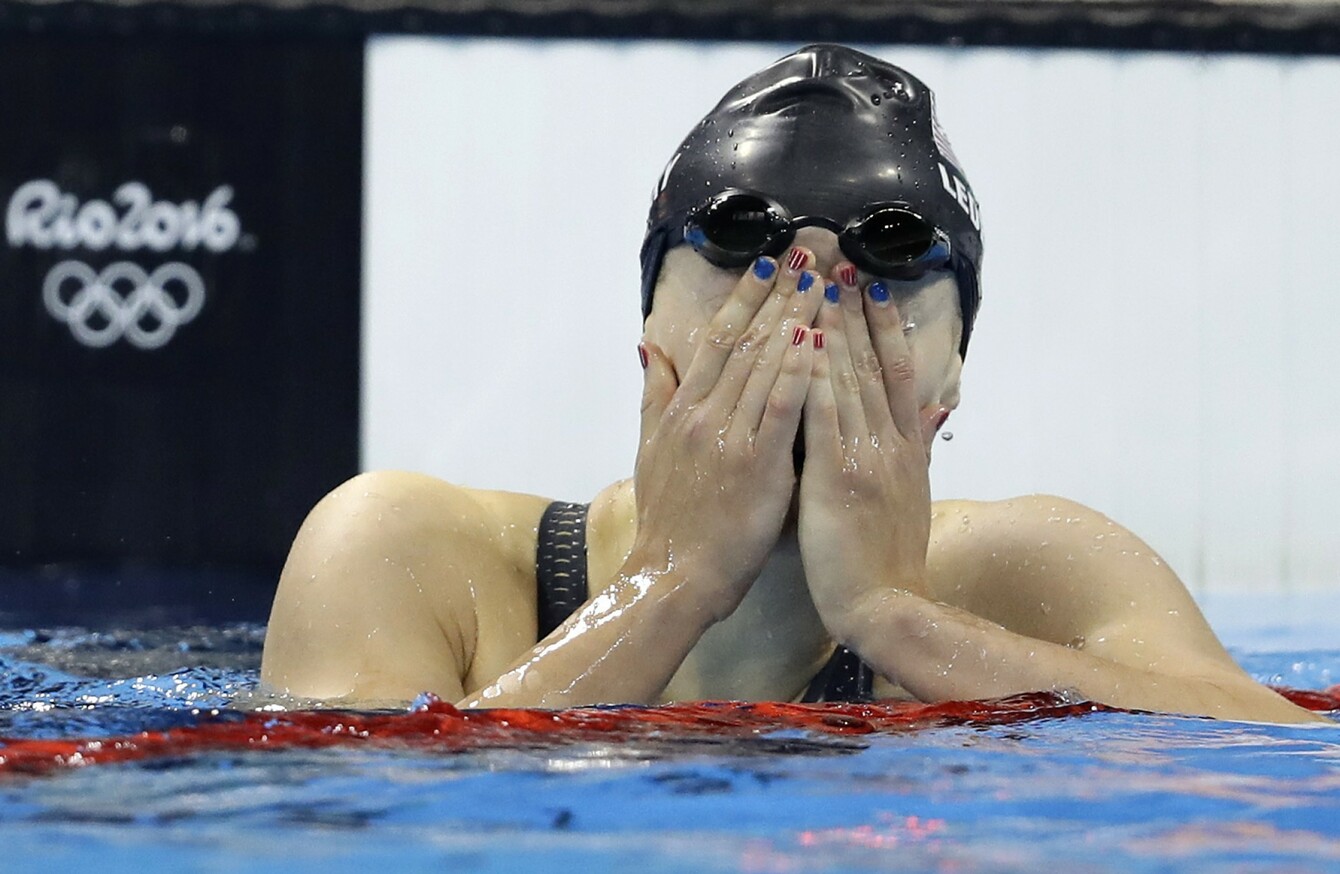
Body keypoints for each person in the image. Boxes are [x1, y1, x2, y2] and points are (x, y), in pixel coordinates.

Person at [259, 44, 1326, 723]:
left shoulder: (1031, 571)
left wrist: (900, 618)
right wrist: (669, 584)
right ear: (648, 326)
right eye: (743, 254)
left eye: (886, 272)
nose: (806, 311)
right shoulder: (406, 551)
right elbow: (330, 822)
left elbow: (1279, 757)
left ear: (952, 372)